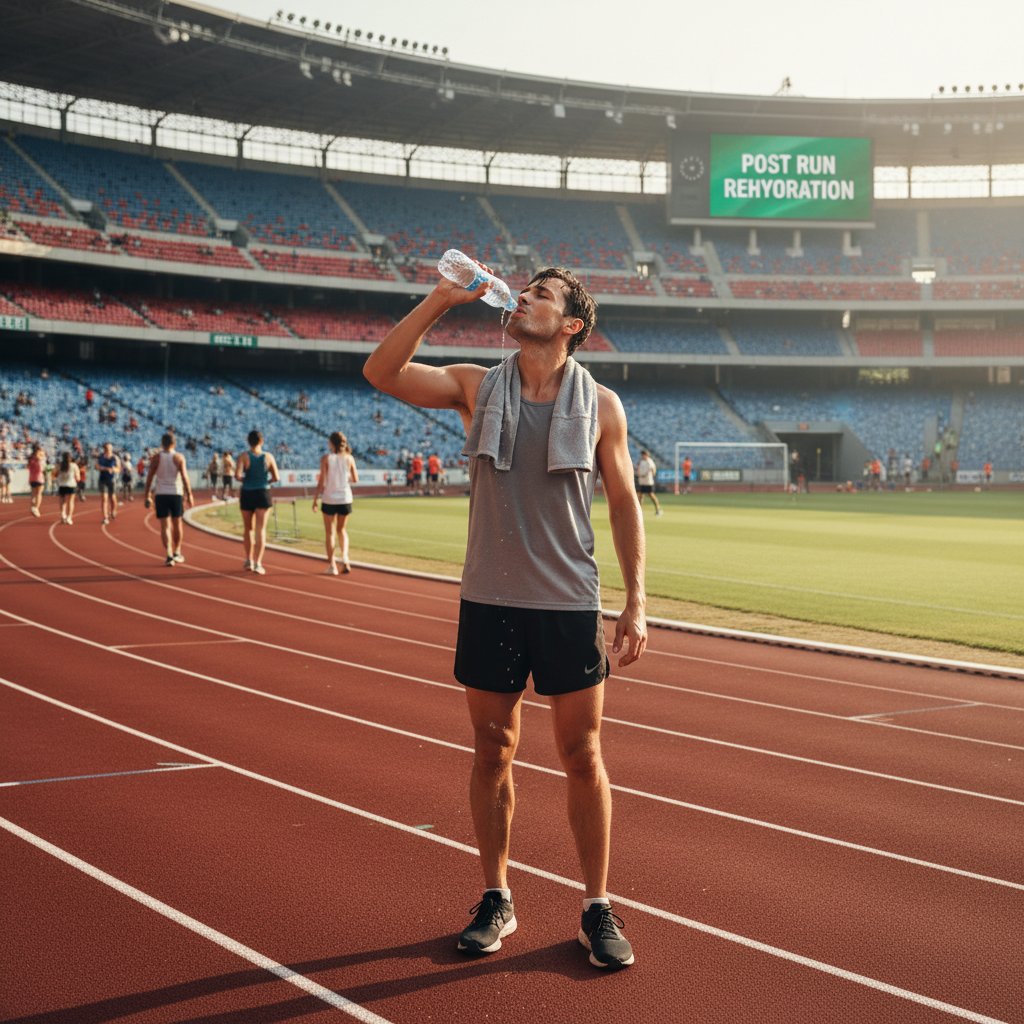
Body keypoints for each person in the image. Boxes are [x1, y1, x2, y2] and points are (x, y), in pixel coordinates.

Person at [364, 262, 647, 970]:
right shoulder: (474, 385)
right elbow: (382, 370)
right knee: (493, 750)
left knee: (582, 756)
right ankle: (497, 896)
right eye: (522, 292)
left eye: (539, 296)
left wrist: (636, 598)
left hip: (569, 603)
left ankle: (596, 907)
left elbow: (623, 504)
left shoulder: (603, 407)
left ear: (571, 325)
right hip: (489, 599)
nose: (521, 299)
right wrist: (440, 299)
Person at [143, 432, 194, 566]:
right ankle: (177, 551)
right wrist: (189, 494)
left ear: (162, 443)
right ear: (174, 443)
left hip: (161, 494)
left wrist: (147, 495)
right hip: (176, 493)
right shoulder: (178, 457)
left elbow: (149, 478)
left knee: (165, 526)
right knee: (177, 524)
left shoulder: (157, 458)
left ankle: (169, 554)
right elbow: (184, 477)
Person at [312, 430, 358, 575]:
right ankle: (345, 557)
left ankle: (332, 566)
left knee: (329, 533)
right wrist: (344, 478)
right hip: (344, 498)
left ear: (331, 443)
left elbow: (321, 482)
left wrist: (314, 499)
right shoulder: (349, 458)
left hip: (329, 498)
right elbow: (355, 479)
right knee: (342, 530)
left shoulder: (326, 458)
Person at [235, 430, 280, 575]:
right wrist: (266, 481)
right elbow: (276, 477)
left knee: (248, 528)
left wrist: (247, 480)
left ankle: (248, 559)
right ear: (262, 441)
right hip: (263, 492)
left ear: (248, 441)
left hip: (247, 492)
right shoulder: (268, 456)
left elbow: (237, 475)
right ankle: (258, 563)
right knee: (261, 529)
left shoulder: (244, 456)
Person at [95, 441, 121, 525]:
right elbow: (96, 466)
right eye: (107, 448)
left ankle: (114, 510)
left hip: (112, 480)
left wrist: (113, 469)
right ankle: (105, 517)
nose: (108, 449)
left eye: (110, 448)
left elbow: (119, 469)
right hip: (102, 480)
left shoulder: (115, 458)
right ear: (104, 449)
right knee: (104, 498)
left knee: (112, 498)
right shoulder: (101, 457)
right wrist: (103, 468)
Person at [56, 451, 80, 525]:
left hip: (62, 485)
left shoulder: (59, 465)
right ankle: (69, 517)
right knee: (70, 501)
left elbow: (54, 474)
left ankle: (63, 514)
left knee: (63, 501)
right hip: (71, 485)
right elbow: (78, 478)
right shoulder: (74, 465)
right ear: (70, 458)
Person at [634, 449, 661, 516]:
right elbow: (638, 469)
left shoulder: (649, 461)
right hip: (642, 481)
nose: (642, 456)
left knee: (651, 495)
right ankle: (640, 510)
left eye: (643, 455)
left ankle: (658, 509)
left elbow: (653, 469)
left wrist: (651, 474)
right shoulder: (641, 462)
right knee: (640, 495)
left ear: (646, 455)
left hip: (648, 481)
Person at [27, 444, 46, 517]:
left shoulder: (30, 458)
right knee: (39, 494)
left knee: (33, 494)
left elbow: (28, 467)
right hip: (39, 478)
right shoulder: (39, 459)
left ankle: (32, 506)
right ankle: (36, 508)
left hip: (32, 478)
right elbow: (41, 468)